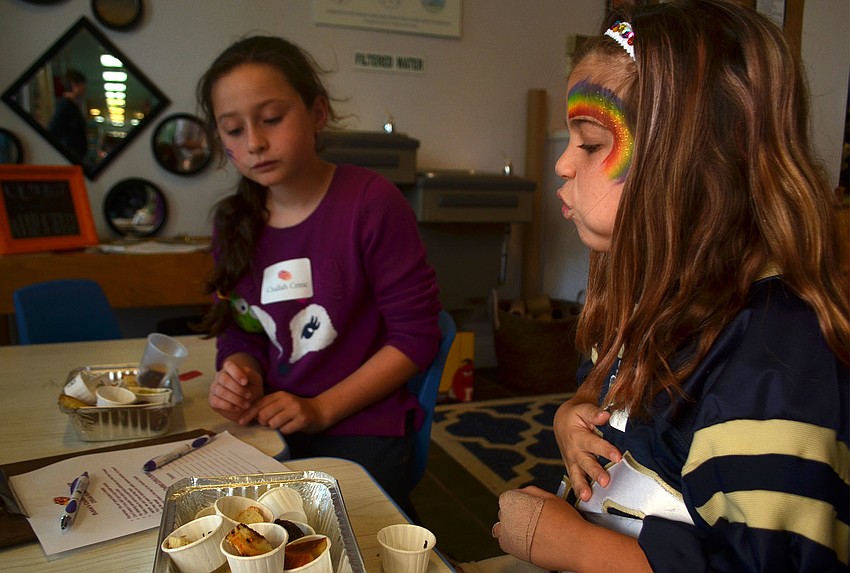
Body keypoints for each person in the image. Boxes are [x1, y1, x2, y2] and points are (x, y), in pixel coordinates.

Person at [479, 2, 849, 572]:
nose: (561, 165)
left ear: (690, 161)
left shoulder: (772, 369)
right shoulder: (651, 301)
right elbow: (612, 405)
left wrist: (576, 547)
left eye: (591, 143)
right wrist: (573, 416)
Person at [195, 36, 443, 511]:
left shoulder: (369, 203)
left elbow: (416, 338)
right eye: (232, 129)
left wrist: (319, 408)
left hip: (361, 424)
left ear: (317, 113)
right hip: (270, 422)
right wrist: (239, 375)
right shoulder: (233, 221)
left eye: (271, 119)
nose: (254, 143)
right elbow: (242, 333)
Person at [47, 69, 88, 161]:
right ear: (74, 84)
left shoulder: (73, 106)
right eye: (83, 84)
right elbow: (53, 129)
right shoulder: (64, 106)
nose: (85, 88)